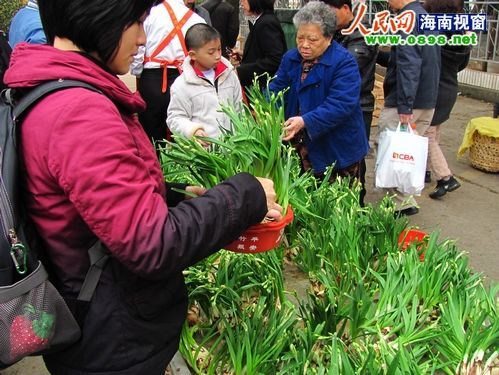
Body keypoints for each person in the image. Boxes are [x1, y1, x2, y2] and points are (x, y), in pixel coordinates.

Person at [4, 0, 282, 373]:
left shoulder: (53, 88)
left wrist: (176, 194)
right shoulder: (79, 112)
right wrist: (244, 195)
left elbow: (90, 198)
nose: (141, 38)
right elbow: (150, 243)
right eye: (135, 23)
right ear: (99, 18)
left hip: (92, 315)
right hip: (113, 338)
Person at [269, 1, 369, 193]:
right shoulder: (291, 58)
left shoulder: (344, 63)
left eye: (312, 39)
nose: (304, 45)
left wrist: (305, 121)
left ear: (329, 37)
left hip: (336, 148)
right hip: (300, 147)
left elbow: (341, 104)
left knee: (336, 205)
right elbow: (275, 89)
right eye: (300, 38)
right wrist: (266, 110)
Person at [376, 0, 440, 216]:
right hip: (427, 99)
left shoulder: (407, 20)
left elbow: (409, 65)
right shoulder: (425, 17)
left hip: (406, 104)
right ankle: (406, 200)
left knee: (390, 151)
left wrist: (405, 105)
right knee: (409, 154)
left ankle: (396, 206)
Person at [130, 0, 205, 149]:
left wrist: (137, 70)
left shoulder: (149, 15)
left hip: (152, 79)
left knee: (151, 134)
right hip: (184, 78)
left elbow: (138, 47)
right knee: (184, 132)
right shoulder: (197, 19)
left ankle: (154, 168)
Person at [323, 0, 377, 206]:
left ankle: (357, 204)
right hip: (339, 104)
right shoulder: (338, 31)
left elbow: (345, 68)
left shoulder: (362, 34)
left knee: (354, 157)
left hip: (358, 106)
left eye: (330, 13)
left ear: (346, 9)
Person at [423, 0, 470, 199]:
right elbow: (462, 65)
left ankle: (445, 177)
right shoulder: (461, 36)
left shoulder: (435, 36)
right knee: (434, 131)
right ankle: (424, 172)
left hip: (436, 89)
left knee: (427, 134)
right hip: (450, 87)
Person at [167, 24, 243, 140]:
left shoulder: (230, 75)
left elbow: (239, 109)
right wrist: (193, 131)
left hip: (233, 148)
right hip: (205, 153)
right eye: (211, 52)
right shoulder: (182, 85)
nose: (218, 56)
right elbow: (175, 118)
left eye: (219, 49)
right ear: (193, 55)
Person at [230, 0, 286, 91]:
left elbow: (275, 60)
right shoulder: (263, 20)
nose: (241, 3)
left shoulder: (267, 23)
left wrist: (241, 72)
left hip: (265, 89)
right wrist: (244, 55)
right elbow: (264, 51)